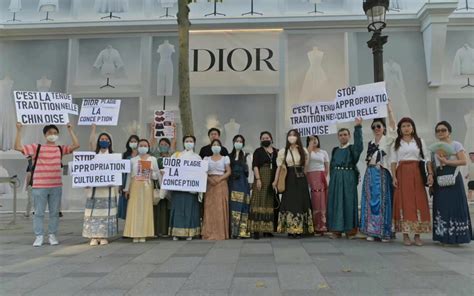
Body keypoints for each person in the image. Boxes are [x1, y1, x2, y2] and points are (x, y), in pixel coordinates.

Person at [14, 123, 80, 247]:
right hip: (40, 186)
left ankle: (52, 235)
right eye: (50, 133)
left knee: (54, 212)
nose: (52, 135)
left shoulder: (60, 149)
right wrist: (19, 130)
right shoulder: (36, 148)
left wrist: (70, 130)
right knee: (38, 212)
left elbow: (76, 145)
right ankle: (39, 236)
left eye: (55, 133)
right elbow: (17, 147)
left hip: (56, 186)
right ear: (45, 135)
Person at [391, 117, 433, 246]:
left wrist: (430, 174)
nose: (406, 128)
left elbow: (426, 159)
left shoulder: (420, 141)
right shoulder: (396, 143)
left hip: (416, 172)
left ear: (413, 127)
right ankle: (405, 234)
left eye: (408, 125)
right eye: (403, 126)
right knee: (404, 202)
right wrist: (394, 177)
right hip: (402, 172)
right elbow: (393, 161)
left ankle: (417, 235)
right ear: (400, 129)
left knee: (418, 201)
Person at [360, 103, 397, 242]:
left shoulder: (387, 140)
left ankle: (384, 231)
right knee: (370, 201)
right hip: (370, 172)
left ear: (383, 128)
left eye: (379, 126)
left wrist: (389, 109)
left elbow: (394, 127)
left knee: (382, 201)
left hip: (381, 172)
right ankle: (371, 231)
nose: (376, 129)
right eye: (374, 127)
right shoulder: (370, 142)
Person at [431, 121, 472, 245]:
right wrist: (430, 175)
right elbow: (432, 164)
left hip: (453, 177)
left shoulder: (456, 145)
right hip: (440, 177)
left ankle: (457, 237)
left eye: (443, 130)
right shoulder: (434, 148)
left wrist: (447, 162)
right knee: (442, 206)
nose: (440, 133)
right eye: (438, 131)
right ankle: (443, 236)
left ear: (449, 131)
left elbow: (464, 161)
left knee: (455, 205)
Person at [273, 129, 314, 238]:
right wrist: (275, 181)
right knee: (290, 202)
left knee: (301, 202)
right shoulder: (283, 151)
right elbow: (279, 167)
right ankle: (291, 229)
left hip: (301, 178)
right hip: (289, 178)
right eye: (290, 135)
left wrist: (311, 141)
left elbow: (306, 166)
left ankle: (300, 229)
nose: (292, 137)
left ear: (298, 137)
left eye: (294, 135)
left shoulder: (303, 150)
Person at [327, 118, 363, 239]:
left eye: (345, 135)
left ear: (349, 136)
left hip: (348, 178)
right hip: (336, 179)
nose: (343, 137)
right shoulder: (335, 150)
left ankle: (350, 230)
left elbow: (359, 146)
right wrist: (332, 180)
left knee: (348, 201)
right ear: (338, 137)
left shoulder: (353, 149)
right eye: (341, 135)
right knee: (336, 202)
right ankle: (336, 230)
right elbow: (332, 165)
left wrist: (358, 127)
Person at [83, 130, 118, 246]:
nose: (104, 141)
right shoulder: (92, 156)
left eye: (106, 139)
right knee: (93, 213)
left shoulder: (114, 156)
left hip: (107, 190)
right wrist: (93, 129)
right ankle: (93, 236)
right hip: (94, 189)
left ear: (110, 142)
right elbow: (86, 171)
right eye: (102, 139)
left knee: (106, 213)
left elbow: (117, 172)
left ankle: (103, 235)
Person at [123, 139, 159, 243]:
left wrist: (151, 172)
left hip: (147, 186)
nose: (143, 147)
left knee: (145, 209)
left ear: (148, 147)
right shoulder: (133, 160)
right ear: (138, 147)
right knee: (134, 208)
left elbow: (156, 176)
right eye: (141, 145)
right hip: (135, 186)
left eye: (145, 145)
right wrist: (126, 189)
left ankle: (144, 233)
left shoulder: (153, 159)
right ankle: (134, 233)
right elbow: (129, 176)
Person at [168, 135, 202, 241]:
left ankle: (190, 232)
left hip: (190, 190)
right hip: (178, 190)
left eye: (191, 141)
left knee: (190, 211)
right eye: (187, 141)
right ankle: (176, 233)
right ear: (183, 143)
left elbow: (201, 173)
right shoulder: (176, 155)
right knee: (177, 211)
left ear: (194, 143)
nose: (189, 142)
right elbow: (170, 169)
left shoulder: (197, 157)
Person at [248, 131, 279, 239]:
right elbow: (255, 165)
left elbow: (279, 166)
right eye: (263, 138)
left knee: (269, 202)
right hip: (261, 176)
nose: (265, 139)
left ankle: (267, 230)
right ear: (261, 140)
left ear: (271, 138)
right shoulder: (258, 151)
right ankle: (256, 230)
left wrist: (276, 180)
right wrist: (258, 179)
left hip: (272, 178)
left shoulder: (276, 151)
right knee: (258, 201)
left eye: (267, 137)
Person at [150, 124, 176, 238]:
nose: (163, 146)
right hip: (157, 186)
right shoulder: (155, 157)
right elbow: (151, 143)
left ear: (169, 146)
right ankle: (156, 230)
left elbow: (174, 142)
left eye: (166, 144)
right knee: (157, 207)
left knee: (167, 208)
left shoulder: (172, 157)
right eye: (161, 144)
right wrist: (153, 130)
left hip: (169, 187)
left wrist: (174, 130)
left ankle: (166, 230)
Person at [202, 139, 231, 240]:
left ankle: (221, 233)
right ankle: (209, 233)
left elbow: (228, 171)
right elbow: (203, 171)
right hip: (210, 184)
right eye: (214, 144)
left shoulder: (225, 158)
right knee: (210, 208)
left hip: (221, 183)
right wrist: (209, 179)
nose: (216, 146)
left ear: (221, 147)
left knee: (220, 207)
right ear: (211, 147)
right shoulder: (206, 159)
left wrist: (220, 179)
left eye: (218, 144)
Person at [229, 135, 252, 239]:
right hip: (232, 183)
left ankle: (242, 232)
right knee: (234, 208)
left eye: (240, 141)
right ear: (233, 142)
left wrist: (251, 184)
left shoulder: (247, 156)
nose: (238, 142)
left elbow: (250, 172)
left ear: (243, 143)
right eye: (237, 141)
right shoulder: (229, 156)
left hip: (243, 184)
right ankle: (234, 232)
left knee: (243, 207)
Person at [306, 135, 329, 236]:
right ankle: (314, 225)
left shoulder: (323, 152)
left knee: (322, 200)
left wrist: (325, 177)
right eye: (311, 139)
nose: (314, 141)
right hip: (310, 175)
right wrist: (310, 147)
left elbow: (327, 166)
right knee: (314, 199)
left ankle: (322, 225)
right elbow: (305, 161)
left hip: (321, 175)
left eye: (315, 139)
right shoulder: (307, 151)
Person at [118, 135, 139, 220]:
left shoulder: (141, 154)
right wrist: (120, 185)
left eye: (135, 141)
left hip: (137, 180)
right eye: (131, 141)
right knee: (127, 201)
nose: (133, 143)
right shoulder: (125, 155)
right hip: (126, 179)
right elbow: (121, 170)